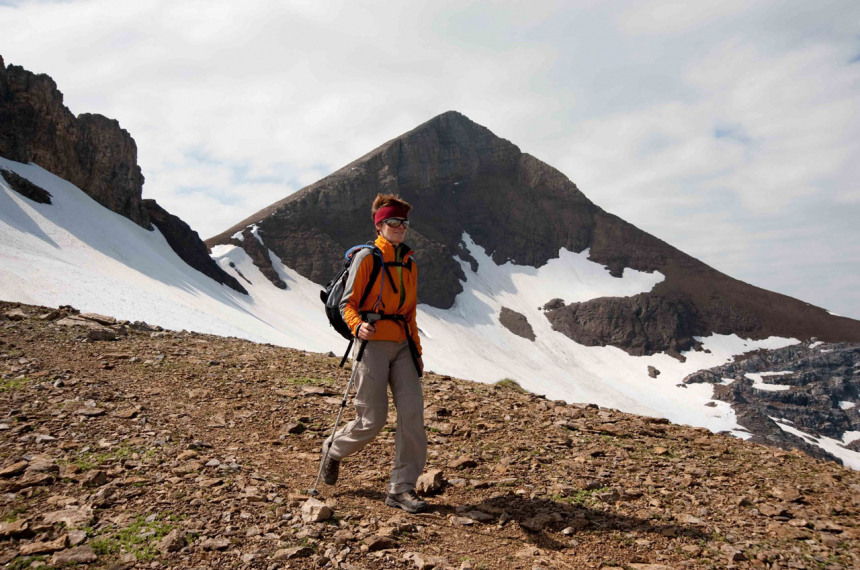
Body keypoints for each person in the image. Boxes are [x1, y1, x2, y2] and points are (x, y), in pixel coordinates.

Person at [320, 193, 428, 513]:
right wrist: (357, 327)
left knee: (412, 416)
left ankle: (401, 489)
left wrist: (417, 351)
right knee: (372, 419)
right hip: (371, 345)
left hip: (403, 345)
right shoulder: (367, 258)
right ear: (380, 225)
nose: (400, 227)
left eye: (404, 222)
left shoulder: (410, 263)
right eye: (393, 221)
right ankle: (333, 449)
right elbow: (348, 304)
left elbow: (410, 314)